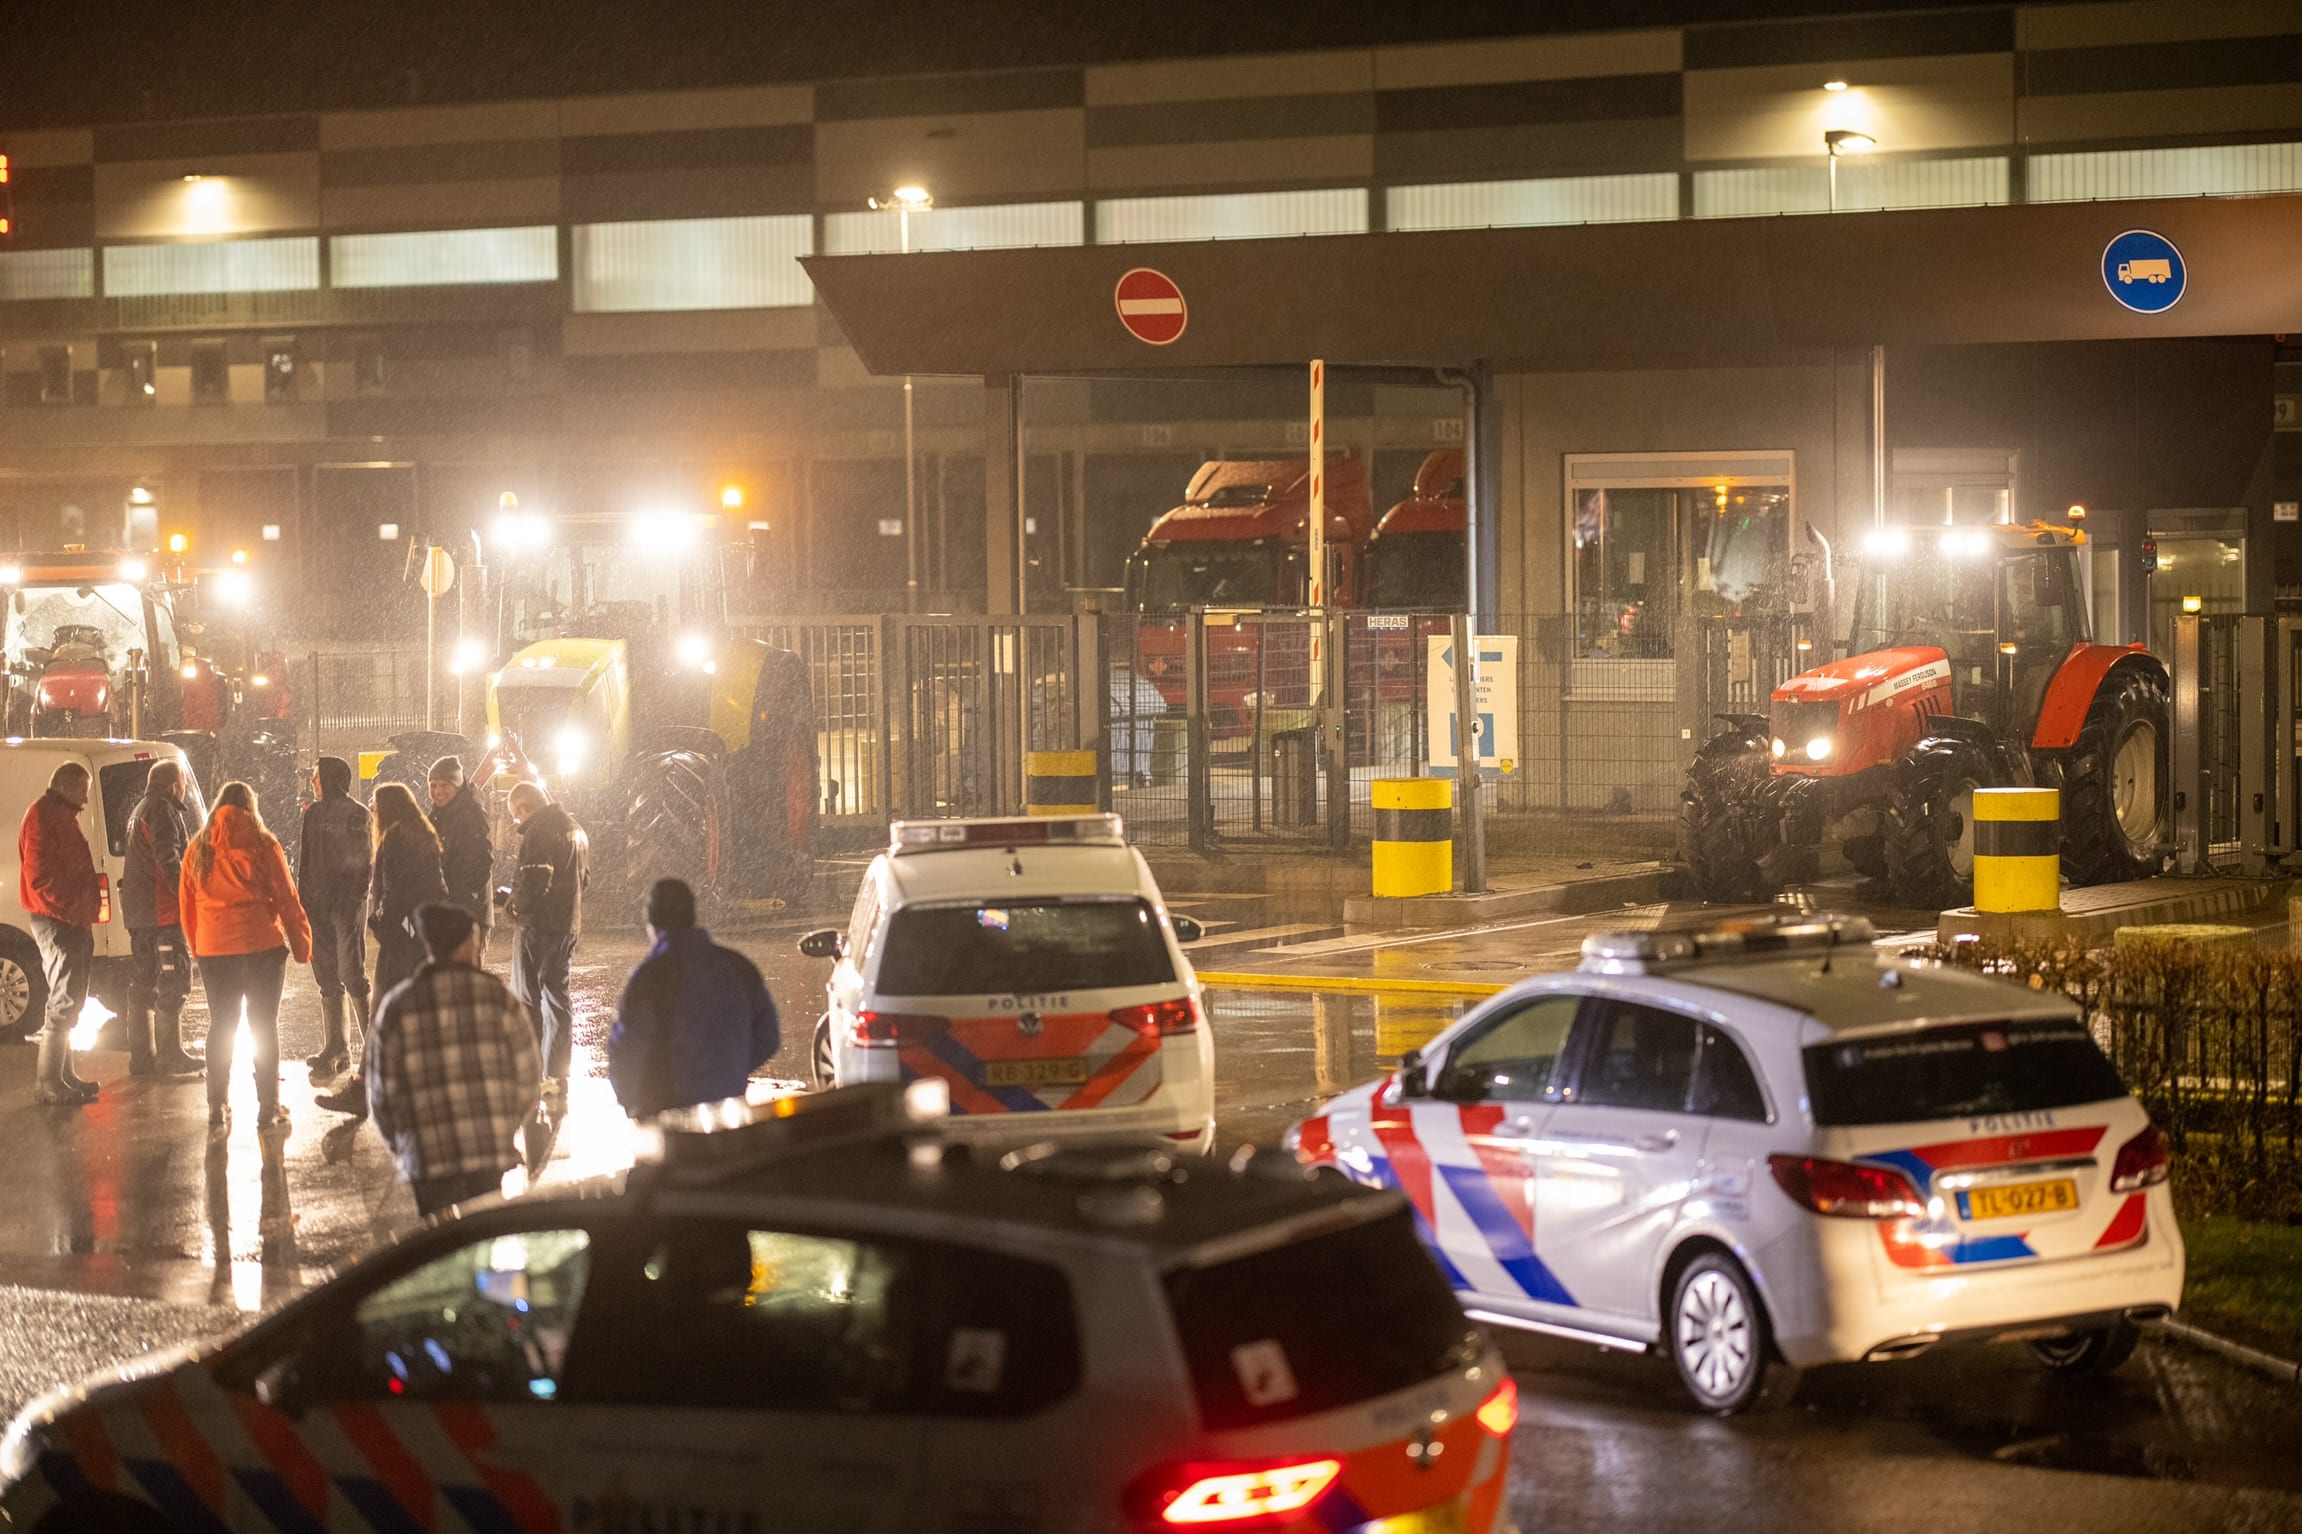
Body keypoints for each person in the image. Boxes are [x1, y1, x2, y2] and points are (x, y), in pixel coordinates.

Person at [366, 902, 541, 1218]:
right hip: (488, 1152)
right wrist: (503, 1128)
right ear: (464, 944)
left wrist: (406, 1145)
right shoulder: (497, 997)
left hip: (427, 1157)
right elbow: (528, 1075)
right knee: (482, 1235)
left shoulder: (398, 1006)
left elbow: (382, 1095)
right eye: (474, 936)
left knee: (441, 1247)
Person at [179, 782, 313, 1138]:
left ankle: (215, 1104)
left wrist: (198, 948)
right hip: (261, 948)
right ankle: (268, 1106)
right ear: (251, 807)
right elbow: (286, 896)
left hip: (214, 950)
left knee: (221, 1024)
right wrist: (301, 944)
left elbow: (187, 907)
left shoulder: (198, 847)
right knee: (263, 1026)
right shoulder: (263, 843)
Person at [317, 782, 442, 1121]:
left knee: (381, 1018)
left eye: (374, 807)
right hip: (422, 941)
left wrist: (382, 925)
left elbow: (394, 893)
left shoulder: (394, 840)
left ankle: (361, 1090)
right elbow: (436, 891)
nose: (371, 813)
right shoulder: (424, 837)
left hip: (401, 946)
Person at [609, 879, 780, 1119]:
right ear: (692, 917)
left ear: (652, 926)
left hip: (667, 1121)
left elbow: (625, 1050)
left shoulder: (648, 979)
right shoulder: (738, 967)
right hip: (728, 1116)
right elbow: (769, 1036)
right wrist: (730, 1069)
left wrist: (634, 1102)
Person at [505, 780, 587, 1134]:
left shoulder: (538, 832)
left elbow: (534, 883)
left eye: (515, 815)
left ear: (523, 807)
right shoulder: (575, 829)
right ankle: (556, 1077)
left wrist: (512, 905)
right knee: (557, 1001)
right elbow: (583, 880)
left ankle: (529, 1080)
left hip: (537, 928)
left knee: (527, 1003)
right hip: (567, 925)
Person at [19, 761, 102, 1106]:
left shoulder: (55, 815)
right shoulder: (45, 817)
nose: (86, 797)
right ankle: (50, 1081)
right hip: (59, 919)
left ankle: (62, 1077)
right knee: (65, 999)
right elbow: (42, 877)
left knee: (70, 998)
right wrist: (75, 909)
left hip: (67, 918)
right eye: (83, 789)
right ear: (67, 787)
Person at [120, 759, 201, 1078]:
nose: (182, 789)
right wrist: (186, 898)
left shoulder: (140, 807)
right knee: (174, 979)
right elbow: (168, 859)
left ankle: (142, 1058)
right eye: (181, 782)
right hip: (162, 914)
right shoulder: (164, 810)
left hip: (139, 915)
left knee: (142, 983)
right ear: (173, 785)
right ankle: (170, 1055)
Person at [296, 756, 373, 1080]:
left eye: (316, 776)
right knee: (327, 974)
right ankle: (336, 1047)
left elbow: (364, 861)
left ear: (329, 778)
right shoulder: (313, 813)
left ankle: (372, 1048)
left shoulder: (357, 813)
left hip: (344, 907)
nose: (313, 782)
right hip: (318, 905)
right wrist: (304, 898)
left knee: (351, 972)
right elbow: (306, 859)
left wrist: (353, 900)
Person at [428, 755, 494, 959]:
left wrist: (460, 904)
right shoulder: (436, 818)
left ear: (457, 786)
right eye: (433, 785)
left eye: (444, 785)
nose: (437, 792)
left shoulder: (472, 817)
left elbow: (479, 865)